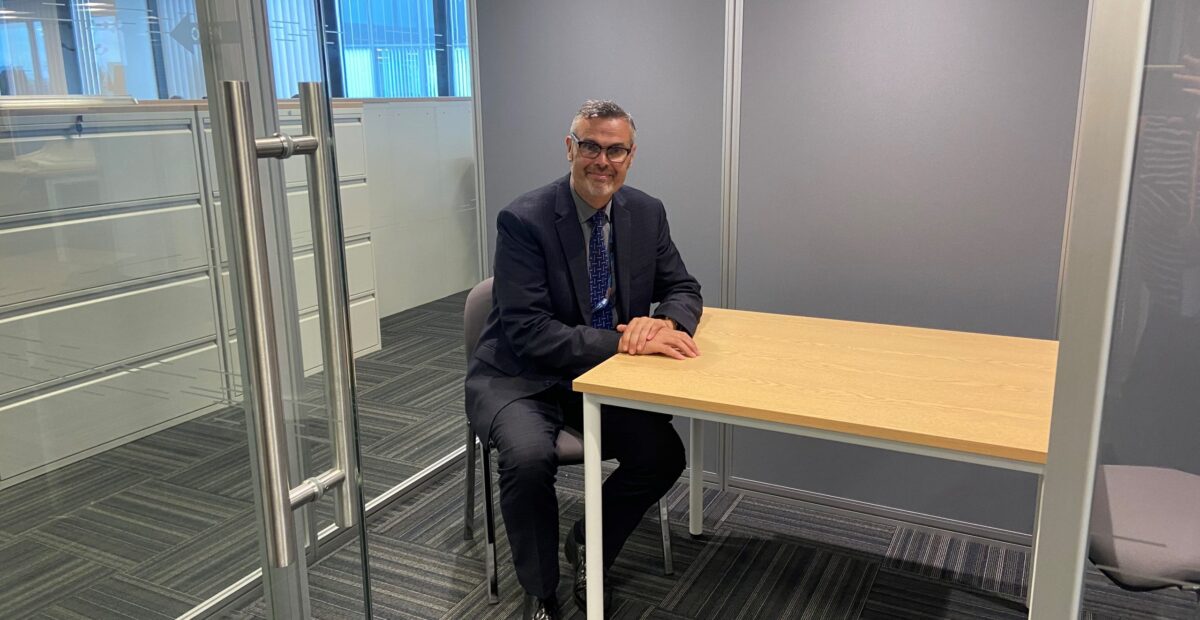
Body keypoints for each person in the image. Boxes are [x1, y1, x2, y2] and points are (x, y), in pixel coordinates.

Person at [465, 100, 703, 619]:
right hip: (521, 376)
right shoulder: (524, 219)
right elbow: (529, 333)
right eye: (590, 146)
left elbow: (683, 287)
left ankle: (589, 545)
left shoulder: (646, 212)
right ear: (570, 148)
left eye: (615, 149)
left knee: (663, 455)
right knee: (528, 462)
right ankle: (543, 592)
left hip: (598, 378)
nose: (603, 160)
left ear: (631, 155)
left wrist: (665, 323)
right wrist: (621, 341)